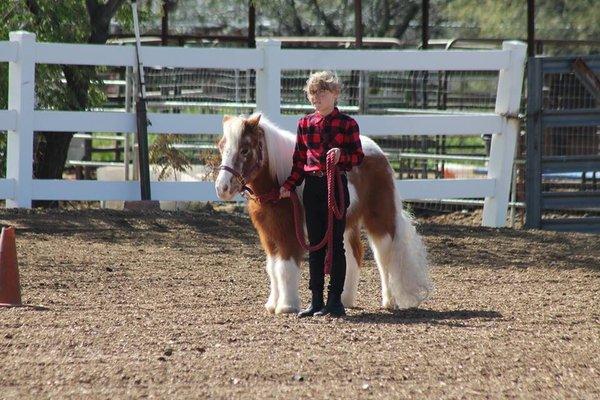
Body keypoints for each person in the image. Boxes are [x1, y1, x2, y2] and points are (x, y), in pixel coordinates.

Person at [280, 71, 364, 317]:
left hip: (336, 184)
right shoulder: (304, 124)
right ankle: (316, 299)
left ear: (335, 94)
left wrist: (341, 156)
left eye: (322, 92)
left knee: (335, 244)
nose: (316, 98)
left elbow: (358, 157)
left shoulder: (348, 124)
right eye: (312, 93)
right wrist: (289, 185)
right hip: (313, 187)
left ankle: (334, 300)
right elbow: (298, 161)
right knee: (315, 244)